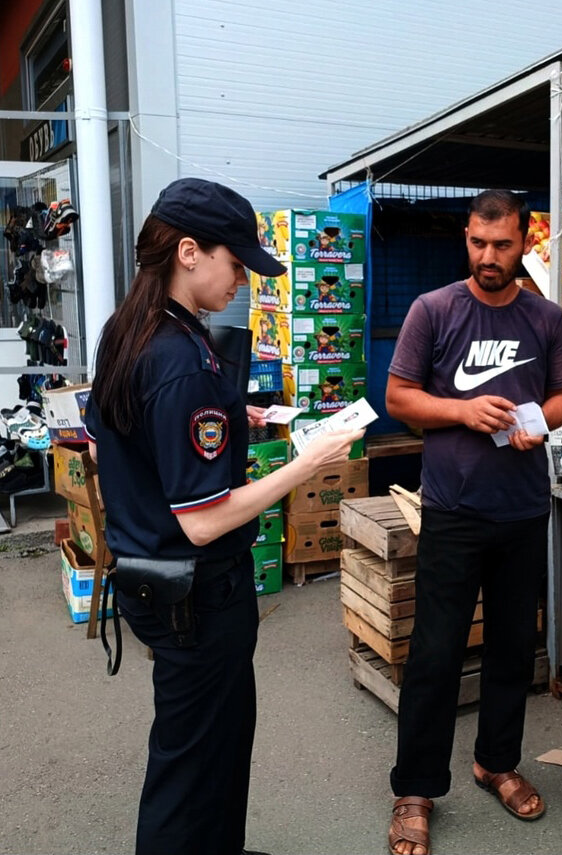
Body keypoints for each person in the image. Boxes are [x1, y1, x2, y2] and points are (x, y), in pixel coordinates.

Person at [84, 177, 362, 855]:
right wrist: (308, 462)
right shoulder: (180, 359)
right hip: (198, 593)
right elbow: (204, 520)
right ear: (187, 252)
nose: (242, 281)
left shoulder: (134, 329)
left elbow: (109, 432)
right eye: (235, 263)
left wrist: (241, 415)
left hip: (160, 581)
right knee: (192, 764)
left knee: (213, 744)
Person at [384, 190, 562, 855]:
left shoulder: (546, 317)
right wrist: (463, 413)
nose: (488, 257)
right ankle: (414, 788)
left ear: (524, 241)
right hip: (453, 511)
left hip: (521, 508)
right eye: (476, 243)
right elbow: (398, 396)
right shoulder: (433, 310)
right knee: (435, 651)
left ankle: (496, 760)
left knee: (511, 647)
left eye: (501, 244)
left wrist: (538, 421)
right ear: (466, 238)